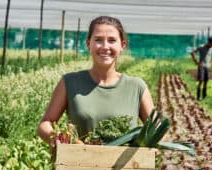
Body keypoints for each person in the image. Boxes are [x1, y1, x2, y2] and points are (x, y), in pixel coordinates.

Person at [37, 16, 154, 149]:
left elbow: (157, 129)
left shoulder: (136, 87)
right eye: (98, 40)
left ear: (122, 45)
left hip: (125, 168)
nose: (105, 47)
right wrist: (55, 136)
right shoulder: (69, 82)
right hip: (77, 165)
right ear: (88, 44)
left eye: (112, 40)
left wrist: (152, 144)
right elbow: (45, 123)